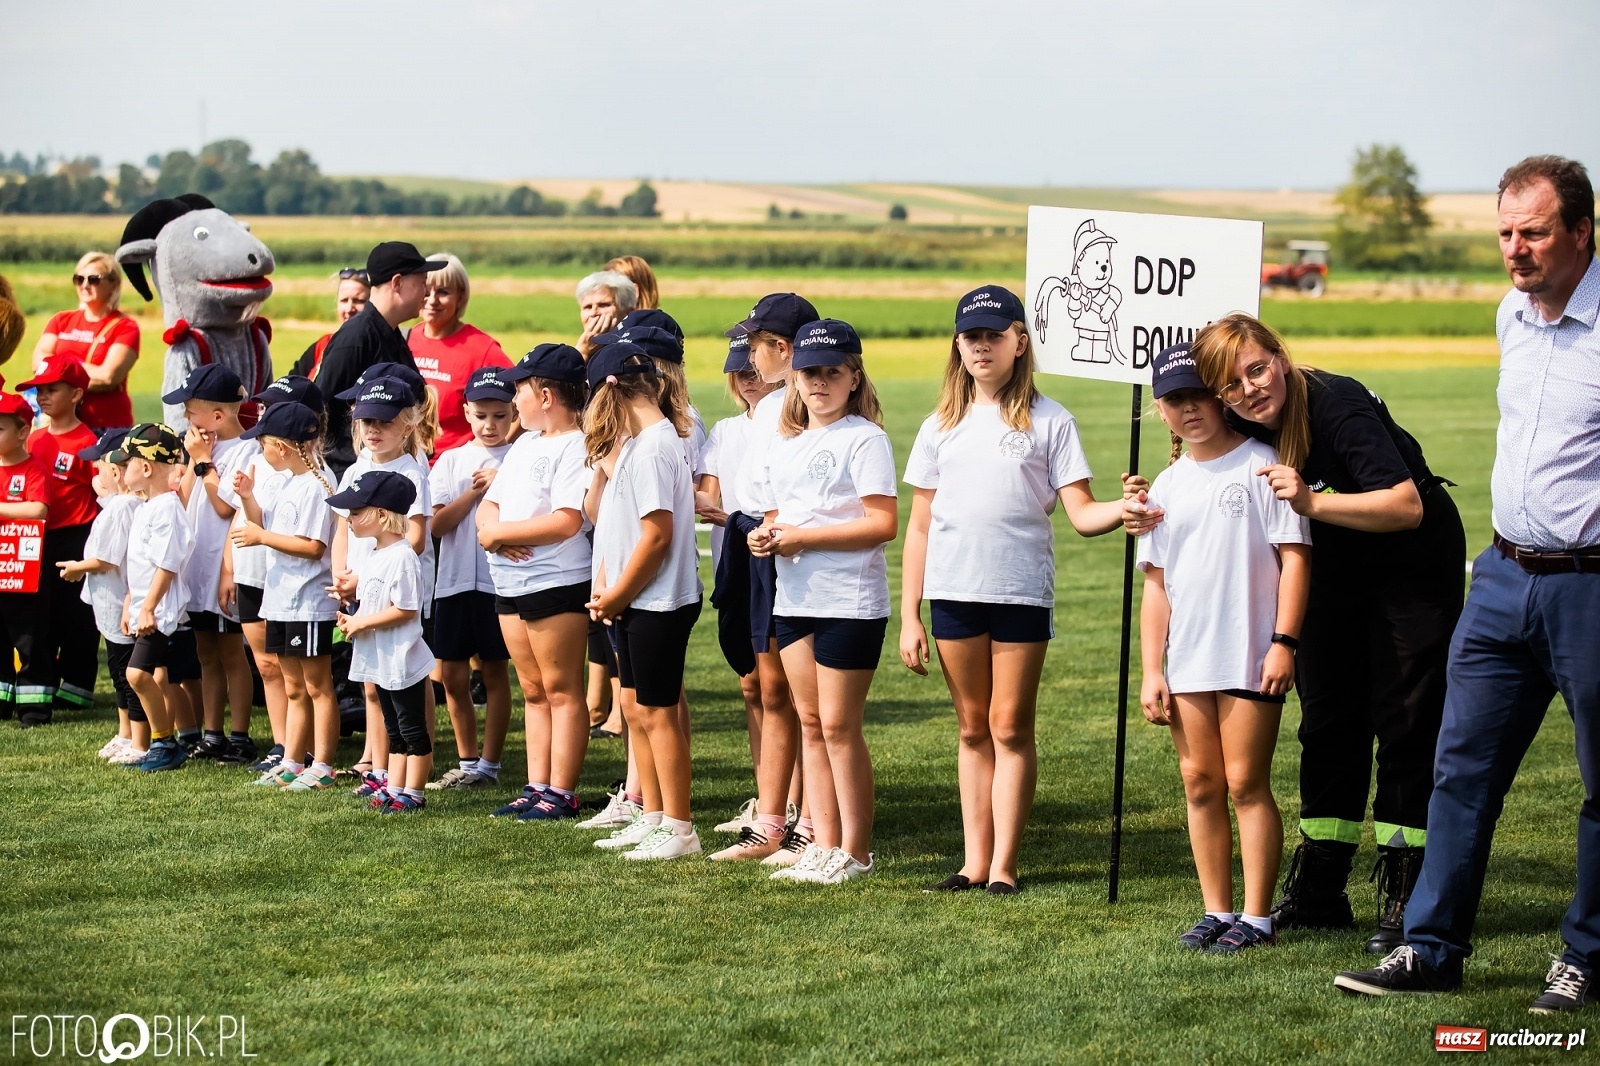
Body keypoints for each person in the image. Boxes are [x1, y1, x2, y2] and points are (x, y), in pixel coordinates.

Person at [1336, 155, 1600, 1013]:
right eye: (1505, 233)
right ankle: (1430, 948)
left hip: (1591, 589)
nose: (1515, 249)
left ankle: (1586, 958)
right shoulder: (1510, 316)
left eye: (1534, 232)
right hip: (1501, 578)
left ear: (1581, 232)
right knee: (1458, 770)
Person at [1132, 309, 1467, 953]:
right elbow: (1198, 458)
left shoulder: (1334, 404)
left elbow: (1406, 506)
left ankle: (1408, 887)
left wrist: (1311, 502)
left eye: (1258, 370)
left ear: (1281, 358)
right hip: (1334, 564)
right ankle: (1320, 886)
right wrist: (1140, 503)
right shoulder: (1243, 417)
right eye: (1232, 385)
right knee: (1329, 721)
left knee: (1405, 720)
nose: (1249, 390)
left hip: (1409, 566)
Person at [900, 287, 1132, 894]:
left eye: (994, 336)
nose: (982, 346)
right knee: (971, 728)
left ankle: (1003, 866)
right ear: (958, 346)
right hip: (953, 592)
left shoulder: (1052, 420)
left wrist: (1126, 507)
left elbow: (1083, 514)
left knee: (1008, 726)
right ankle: (973, 862)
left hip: (1021, 592)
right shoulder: (938, 426)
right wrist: (910, 615)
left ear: (1019, 343)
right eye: (971, 336)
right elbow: (919, 526)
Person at [1136, 342, 1312, 952]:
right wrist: (1151, 669)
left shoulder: (1262, 465)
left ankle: (1258, 918)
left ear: (1221, 397)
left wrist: (1283, 643)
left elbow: (1295, 560)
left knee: (1245, 783)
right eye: (1174, 400)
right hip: (1188, 658)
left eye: (1198, 396)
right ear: (1160, 410)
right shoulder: (1166, 484)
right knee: (1200, 783)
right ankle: (1217, 910)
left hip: (1250, 653)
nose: (1188, 409)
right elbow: (1156, 586)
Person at [749, 319, 898, 885]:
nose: (819, 382)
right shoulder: (785, 443)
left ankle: (855, 852)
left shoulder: (866, 438)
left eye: (832, 372)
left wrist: (804, 538)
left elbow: (882, 523)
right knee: (811, 723)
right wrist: (763, 536)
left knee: (838, 725)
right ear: (795, 377)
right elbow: (776, 516)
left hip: (849, 602)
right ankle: (822, 843)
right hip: (795, 598)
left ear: (854, 378)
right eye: (810, 372)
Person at [583, 341, 703, 860]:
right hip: (633, 599)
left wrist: (618, 593)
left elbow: (656, 536)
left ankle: (679, 827)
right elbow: (618, 527)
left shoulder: (654, 447)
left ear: (608, 393)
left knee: (657, 713)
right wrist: (607, 586)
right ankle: (652, 815)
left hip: (657, 601)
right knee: (635, 708)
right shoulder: (637, 444)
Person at [709, 293, 815, 865]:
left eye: (755, 345)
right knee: (772, 689)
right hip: (758, 543)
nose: (749, 357)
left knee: (803, 699)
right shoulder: (772, 406)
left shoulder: (807, 404)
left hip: (792, 551)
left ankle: (806, 823)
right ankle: (773, 821)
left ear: (783, 347)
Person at [479, 345, 595, 822]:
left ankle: (561, 792)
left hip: (556, 581)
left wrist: (501, 534)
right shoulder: (524, 444)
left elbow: (567, 520)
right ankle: (536, 786)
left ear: (546, 396)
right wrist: (494, 534)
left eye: (519, 389)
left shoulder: (577, 445)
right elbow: (491, 505)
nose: (514, 398)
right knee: (532, 689)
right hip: (510, 582)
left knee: (561, 688)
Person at [331, 375, 436, 793]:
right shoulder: (356, 469)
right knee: (372, 684)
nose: (373, 430)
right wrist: (342, 575)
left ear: (408, 426)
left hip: (391, 588)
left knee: (403, 680)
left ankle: (411, 773)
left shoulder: (411, 472)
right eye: (366, 421)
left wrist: (364, 576)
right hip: (362, 587)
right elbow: (342, 530)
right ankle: (379, 768)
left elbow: (416, 536)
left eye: (384, 421)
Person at [232, 401, 339, 791]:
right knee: (293, 687)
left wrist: (261, 537)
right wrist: (248, 497)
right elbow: (263, 523)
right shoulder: (288, 482)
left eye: (263, 445)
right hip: (281, 600)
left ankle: (322, 765)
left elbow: (313, 547)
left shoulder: (316, 486)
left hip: (307, 602)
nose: (261, 453)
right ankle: (292, 760)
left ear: (282, 446)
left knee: (317, 686)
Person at [700, 331, 780, 834]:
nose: (747, 379)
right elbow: (706, 497)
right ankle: (765, 794)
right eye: (739, 372)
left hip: (767, 554)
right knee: (751, 684)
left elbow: (716, 506)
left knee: (777, 686)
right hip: (734, 562)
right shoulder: (726, 432)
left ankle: (789, 801)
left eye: (752, 368)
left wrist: (731, 515)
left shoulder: (785, 422)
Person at [164, 364, 260, 765]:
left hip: (225, 567)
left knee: (231, 653)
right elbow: (186, 499)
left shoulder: (246, 450)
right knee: (206, 652)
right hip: (198, 571)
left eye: (191, 411)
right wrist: (194, 462)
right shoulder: (201, 451)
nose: (186, 418)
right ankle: (212, 733)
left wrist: (204, 461)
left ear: (218, 416)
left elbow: (225, 507)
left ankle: (239, 735)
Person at [427, 367, 515, 790]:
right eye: (481, 416)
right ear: (466, 413)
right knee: (452, 676)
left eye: (500, 416)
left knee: (495, 674)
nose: (490, 425)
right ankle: (467, 761)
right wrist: (473, 492)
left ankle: (489, 765)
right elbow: (437, 525)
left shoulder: (520, 458)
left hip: (500, 585)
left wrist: (501, 485)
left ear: (514, 414)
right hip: (455, 582)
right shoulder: (452, 460)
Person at [16, 355, 100, 721]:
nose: (43, 396)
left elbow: (102, 491)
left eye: (52, 389)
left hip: (75, 537)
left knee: (77, 615)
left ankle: (77, 688)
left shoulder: (87, 441)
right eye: (39, 390)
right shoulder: (33, 438)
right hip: (37, 538)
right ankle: (43, 683)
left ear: (77, 394)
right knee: (40, 614)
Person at [315, 243, 442, 478]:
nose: (426, 293)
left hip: (386, 472)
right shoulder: (356, 337)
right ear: (397, 282)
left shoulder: (391, 333)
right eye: (422, 282)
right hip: (355, 476)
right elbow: (319, 407)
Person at [116, 423, 197, 772]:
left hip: (160, 612)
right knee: (155, 676)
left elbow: (167, 564)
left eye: (127, 463)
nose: (123, 471)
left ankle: (165, 743)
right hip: (146, 608)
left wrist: (148, 608)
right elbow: (142, 566)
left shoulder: (167, 509)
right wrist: (131, 603)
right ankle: (165, 742)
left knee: (137, 674)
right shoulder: (148, 507)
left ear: (146, 468)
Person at [57, 428, 141, 761]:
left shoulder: (120, 508)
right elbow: (101, 488)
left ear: (117, 472)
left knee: (124, 675)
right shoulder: (123, 502)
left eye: (99, 466)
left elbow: (107, 559)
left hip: (117, 602)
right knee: (119, 673)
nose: (94, 472)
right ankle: (125, 732)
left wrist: (78, 568)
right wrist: (106, 480)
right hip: (110, 603)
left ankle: (136, 737)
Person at [408, 253, 512, 460]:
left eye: (443, 292)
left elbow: (525, 400)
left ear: (461, 296)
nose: (432, 300)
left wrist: (497, 453)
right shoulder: (405, 339)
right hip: (408, 464)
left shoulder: (482, 349)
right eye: (426, 290)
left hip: (459, 469)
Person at [31, 252, 140, 432]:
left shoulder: (125, 327)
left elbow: (108, 377)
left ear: (114, 284)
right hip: (61, 424)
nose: (85, 285)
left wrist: (58, 370)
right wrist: (84, 371)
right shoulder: (61, 320)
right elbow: (38, 363)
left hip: (106, 425)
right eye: (79, 279)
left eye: (94, 279)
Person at [0, 392, 54, 725]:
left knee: (29, 637)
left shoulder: (33, 469)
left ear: (22, 432)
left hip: (26, 571)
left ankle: (34, 706)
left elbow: (38, 510)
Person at [293, 269, 371, 381]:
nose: (349, 309)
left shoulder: (379, 351)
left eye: (359, 300)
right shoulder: (322, 345)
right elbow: (290, 383)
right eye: (344, 300)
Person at [575, 270, 638, 357]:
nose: (593, 313)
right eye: (588, 307)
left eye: (603, 305)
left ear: (628, 313)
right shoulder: (579, 350)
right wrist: (583, 351)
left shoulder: (635, 352)